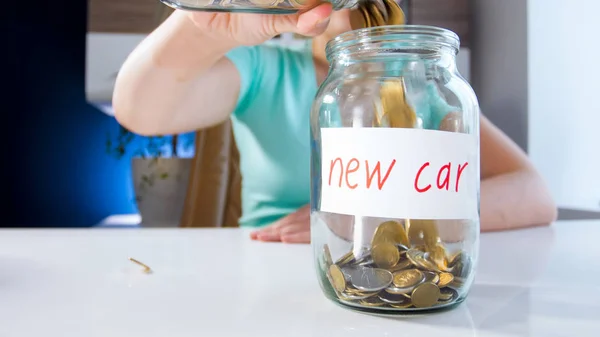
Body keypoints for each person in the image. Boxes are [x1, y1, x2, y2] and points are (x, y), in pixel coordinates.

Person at [112, 3, 558, 244]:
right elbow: (141, 112)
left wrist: (379, 219)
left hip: (393, 266)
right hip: (267, 262)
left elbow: (534, 194)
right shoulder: (265, 70)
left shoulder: (420, 86)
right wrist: (206, 26)